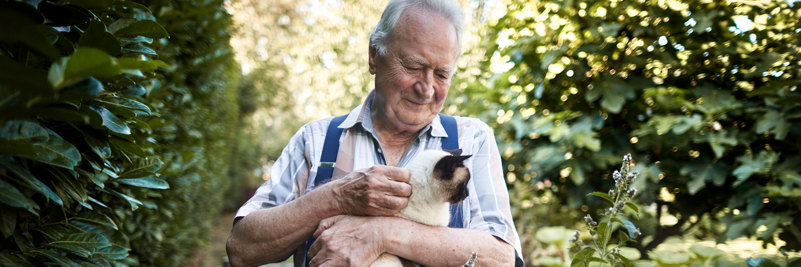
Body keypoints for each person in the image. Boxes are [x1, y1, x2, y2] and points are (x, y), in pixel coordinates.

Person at [226, 0, 523, 266]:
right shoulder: (315, 140)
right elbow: (241, 248)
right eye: (413, 66)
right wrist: (334, 197)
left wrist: (383, 233)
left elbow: (501, 257)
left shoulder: (472, 138)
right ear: (374, 56)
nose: (427, 88)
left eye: (442, 74)